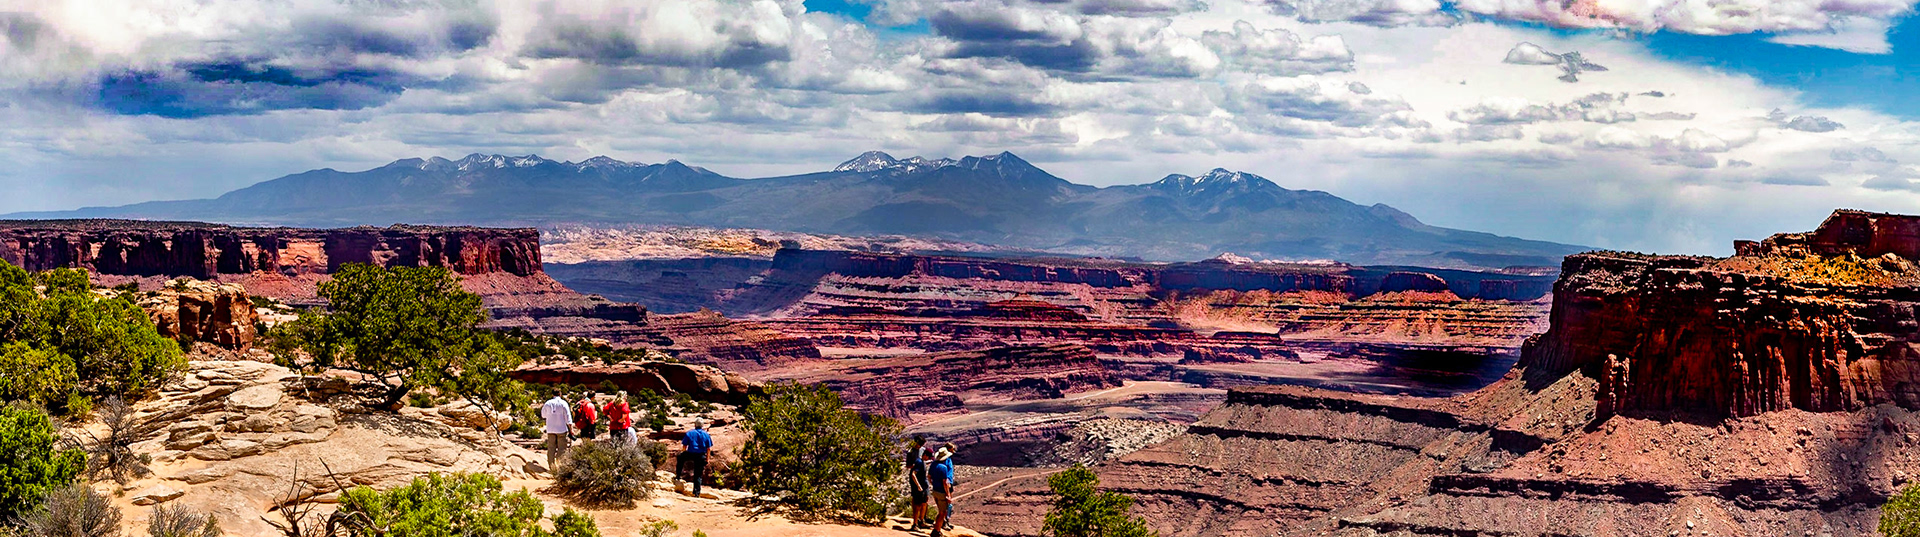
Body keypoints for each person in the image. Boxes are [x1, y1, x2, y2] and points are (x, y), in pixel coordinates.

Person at [678, 420, 713, 497]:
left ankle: (678, 475)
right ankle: (697, 492)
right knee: (698, 474)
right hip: (700, 455)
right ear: (702, 425)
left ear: (695, 425)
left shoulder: (689, 433)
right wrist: (707, 459)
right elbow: (708, 449)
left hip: (690, 453)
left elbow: (684, 446)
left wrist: (684, 453)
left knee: (680, 458)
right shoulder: (706, 434)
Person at [928, 446, 957, 537]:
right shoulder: (943, 467)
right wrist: (948, 495)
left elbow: (929, 476)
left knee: (940, 512)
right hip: (941, 493)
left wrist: (933, 484)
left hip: (935, 491)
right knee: (943, 512)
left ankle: (937, 529)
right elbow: (945, 483)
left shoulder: (933, 464)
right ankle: (936, 531)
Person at [906, 435, 934, 530]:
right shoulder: (910, 452)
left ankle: (922, 520)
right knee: (916, 501)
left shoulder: (923, 450)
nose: (919, 446)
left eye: (921, 445)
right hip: (916, 478)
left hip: (923, 478)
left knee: (924, 500)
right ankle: (915, 523)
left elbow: (924, 459)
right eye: (918, 444)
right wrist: (915, 466)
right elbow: (908, 466)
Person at [539, 393, 572, 471]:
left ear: (552, 394)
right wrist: (571, 429)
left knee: (551, 448)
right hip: (561, 429)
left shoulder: (548, 403)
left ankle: (551, 467)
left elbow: (543, 415)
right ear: (560, 394)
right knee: (562, 448)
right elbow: (568, 417)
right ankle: (559, 464)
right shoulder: (563, 403)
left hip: (550, 429)